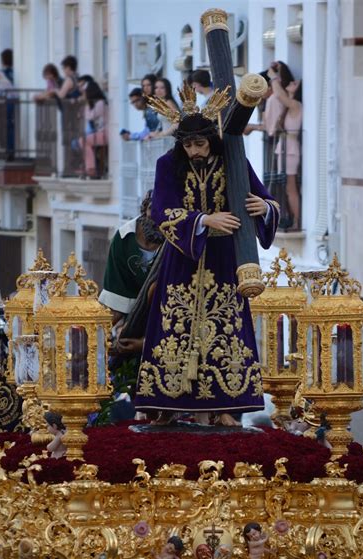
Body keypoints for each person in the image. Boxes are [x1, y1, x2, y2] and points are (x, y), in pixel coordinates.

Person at [134, 86, 278, 425]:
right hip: (183, 259)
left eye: (200, 144)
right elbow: (161, 211)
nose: (195, 151)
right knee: (173, 327)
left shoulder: (233, 161)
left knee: (226, 326)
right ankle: (165, 405)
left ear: (211, 139)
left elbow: (264, 198)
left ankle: (226, 407)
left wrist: (265, 208)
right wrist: (203, 220)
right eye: (188, 145)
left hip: (223, 259)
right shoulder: (168, 165)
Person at [99, 191, 162, 330]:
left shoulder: (175, 242)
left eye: (163, 209)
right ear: (145, 209)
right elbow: (117, 293)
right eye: (153, 208)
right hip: (131, 320)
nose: (157, 215)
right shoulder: (123, 238)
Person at [269, 66, 302, 231]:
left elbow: (279, 95)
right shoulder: (289, 108)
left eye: (296, 83)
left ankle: (297, 221)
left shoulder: (296, 105)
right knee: (286, 187)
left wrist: (273, 77)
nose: (293, 82)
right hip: (285, 148)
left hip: (290, 149)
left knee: (291, 187)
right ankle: (290, 218)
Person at [78, 80, 108, 178]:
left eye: (85, 93)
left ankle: (91, 168)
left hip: (106, 133)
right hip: (101, 133)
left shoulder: (101, 103)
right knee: (83, 141)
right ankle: (89, 167)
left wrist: (86, 103)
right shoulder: (98, 103)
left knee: (83, 141)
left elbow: (89, 116)